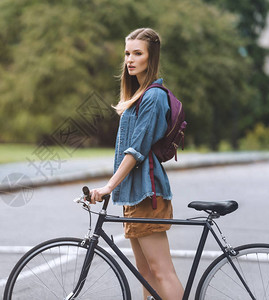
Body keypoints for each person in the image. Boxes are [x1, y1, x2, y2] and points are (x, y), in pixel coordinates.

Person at [89, 28, 184, 300]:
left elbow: (136, 151)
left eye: (137, 53)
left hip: (148, 194)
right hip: (134, 195)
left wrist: (109, 185)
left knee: (161, 271)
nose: (130, 59)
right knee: (146, 273)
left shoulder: (153, 97)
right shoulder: (137, 96)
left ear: (150, 57)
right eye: (127, 53)